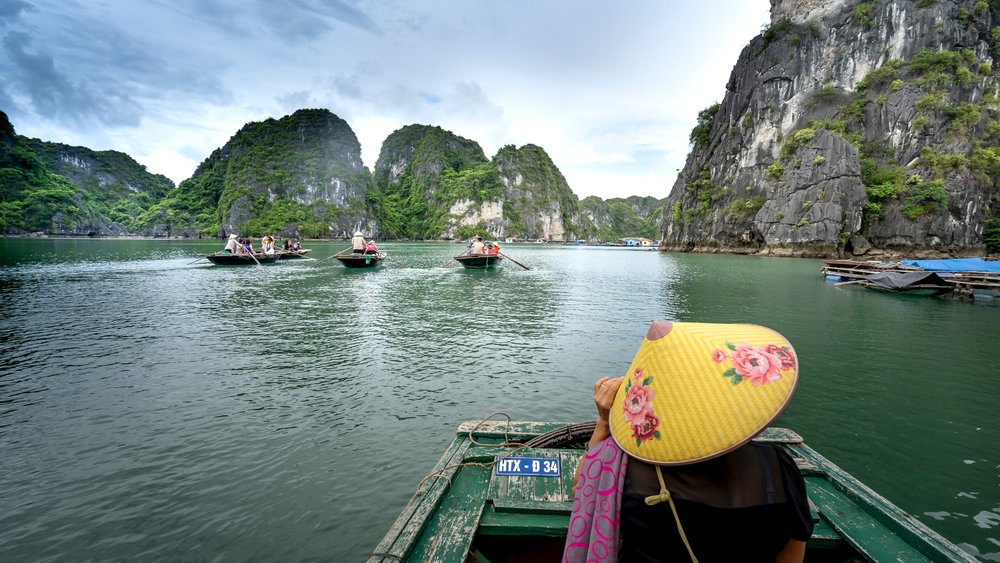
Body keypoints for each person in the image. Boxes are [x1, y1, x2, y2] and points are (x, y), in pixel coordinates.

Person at [565, 321, 813, 563]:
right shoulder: (779, 468)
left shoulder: (626, 463)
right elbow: (793, 552)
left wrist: (604, 423)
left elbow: (582, 491)